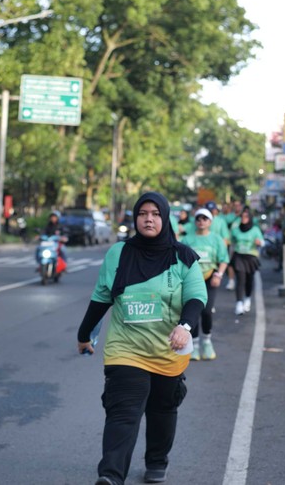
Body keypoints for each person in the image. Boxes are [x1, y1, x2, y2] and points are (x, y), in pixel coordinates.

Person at [77, 191, 207, 485]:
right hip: (126, 349)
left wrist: (184, 326)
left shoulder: (183, 256)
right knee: (123, 412)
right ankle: (110, 476)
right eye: (143, 214)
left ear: (165, 218)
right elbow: (101, 298)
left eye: (156, 214)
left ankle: (157, 461)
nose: (149, 219)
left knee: (162, 410)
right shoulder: (118, 253)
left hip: (167, 350)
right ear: (135, 218)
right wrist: (84, 335)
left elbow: (197, 297)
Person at [181, 208, 229, 361]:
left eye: (205, 219)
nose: (201, 221)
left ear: (210, 222)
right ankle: (194, 344)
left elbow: (224, 259)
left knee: (207, 311)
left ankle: (207, 341)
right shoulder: (187, 239)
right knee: (193, 311)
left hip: (209, 278)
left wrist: (219, 275)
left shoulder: (216, 239)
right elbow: (179, 260)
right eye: (198, 219)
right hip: (191, 281)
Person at [229, 205, 265, 315]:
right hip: (239, 256)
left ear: (249, 218)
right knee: (240, 280)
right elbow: (231, 243)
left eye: (246, 217)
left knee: (249, 280)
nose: (243, 219)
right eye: (242, 217)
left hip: (251, 257)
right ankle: (239, 303)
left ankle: (247, 298)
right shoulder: (235, 230)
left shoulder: (255, 230)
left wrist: (259, 243)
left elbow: (262, 242)